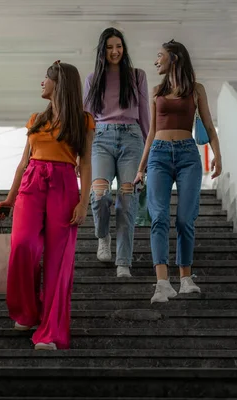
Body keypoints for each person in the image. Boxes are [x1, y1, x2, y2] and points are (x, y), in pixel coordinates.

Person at [0, 61, 94, 350]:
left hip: (64, 185)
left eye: (46, 78)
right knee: (23, 244)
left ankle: (50, 331)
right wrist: (10, 198)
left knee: (57, 262)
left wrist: (84, 202)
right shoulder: (36, 119)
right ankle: (27, 312)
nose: (42, 82)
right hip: (31, 184)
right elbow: (23, 162)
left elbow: (86, 163)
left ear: (59, 83)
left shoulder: (83, 120)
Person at [134, 40, 222, 303]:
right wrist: (141, 168)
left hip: (187, 156)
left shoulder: (196, 90)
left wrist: (218, 155)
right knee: (159, 216)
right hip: (159, 154)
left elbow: (208, 124)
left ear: (174, 57)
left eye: (159, 56)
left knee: (185, 218)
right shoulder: (156, 91)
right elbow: (150, 133)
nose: (155, 61)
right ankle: (162, 283)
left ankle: (185, 279)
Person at [84, 27, 150, 278]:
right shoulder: (93, 79)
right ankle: (103, 236)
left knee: (126, 200)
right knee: (100, 195)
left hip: (132, 139)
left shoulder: (137, 76)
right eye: (110, 47)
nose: (115, 51)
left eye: (119, 46)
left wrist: (147, 156)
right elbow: (87, 118)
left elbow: (145, 115)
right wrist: (82, 153)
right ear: (103, 50)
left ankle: (123, 261)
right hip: (100, 139)